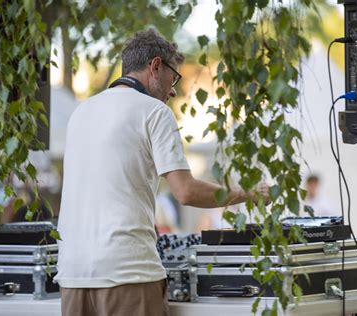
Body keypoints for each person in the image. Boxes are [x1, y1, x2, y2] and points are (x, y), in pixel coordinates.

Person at [54, 29, 270, 316]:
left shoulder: (81, 112)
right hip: (127, 274)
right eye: (174, 78)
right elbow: (185, 191)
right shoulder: (154, 111)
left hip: (72, 274)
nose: (172, 90)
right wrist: (249, 195)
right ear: (156, 66)